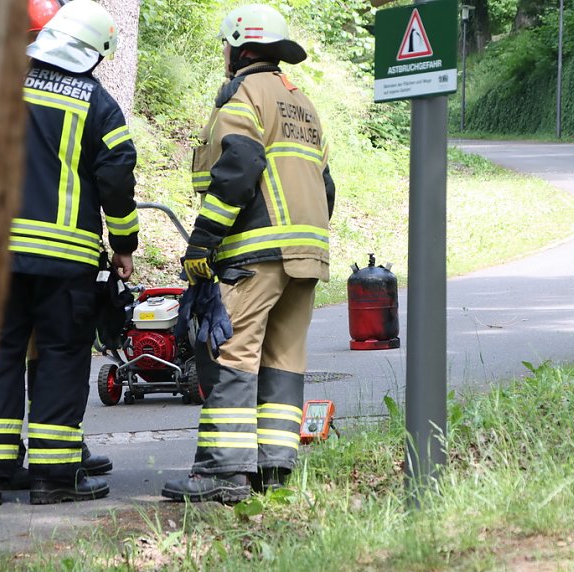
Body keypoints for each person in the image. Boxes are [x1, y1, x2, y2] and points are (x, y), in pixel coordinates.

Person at [161, 3, 335, 503]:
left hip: (256, 253)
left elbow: (238, 167)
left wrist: (203, 241)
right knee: (283, 359)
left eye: (226, 45)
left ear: (238, 47)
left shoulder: (244, 95)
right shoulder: (303, 103)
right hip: (308, 254)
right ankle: (273, 468)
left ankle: (223, 471)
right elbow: (325, 186)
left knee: (232, 354)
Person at [0, 0, 139, 506]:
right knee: (61, 358)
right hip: (66, 260)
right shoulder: (99, 104)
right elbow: (116, 177)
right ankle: (53, 478)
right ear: (94, 52)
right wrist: (124, 245)